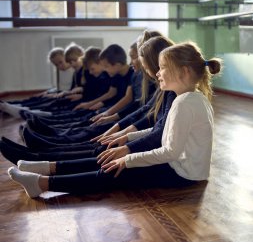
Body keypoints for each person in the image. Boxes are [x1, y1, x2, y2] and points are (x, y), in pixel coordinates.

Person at [6, 40, 222, 198]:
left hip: (182, 174)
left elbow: (169, 151)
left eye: (163, 67)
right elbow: (162, 131)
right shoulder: (188, 99)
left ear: (183, 72)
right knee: (110, 161)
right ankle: (45, 168)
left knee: (114, 171)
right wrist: (127, 139)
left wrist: (127, 159)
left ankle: (42, 183)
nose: (157, 73)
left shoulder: (185, 103)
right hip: (180, 168)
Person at [0, 36, 174, 163]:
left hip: (135, 126)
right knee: (90, 129)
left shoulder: (164, 87)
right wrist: (116, 123)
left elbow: (145, 114)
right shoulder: (148, 80)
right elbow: (142, 108)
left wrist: (119, 127)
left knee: (94, 140)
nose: (132, 62)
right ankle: (49, 143)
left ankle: (45, 151)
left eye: (136, 58)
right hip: (130, 122)